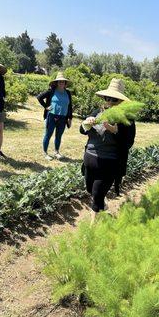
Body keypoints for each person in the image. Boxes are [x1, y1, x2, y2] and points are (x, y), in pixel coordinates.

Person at [80, 78, 136, 219]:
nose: (109, 102)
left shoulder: (127, 118)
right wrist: (86, 124)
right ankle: (102, 205)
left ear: (121, 102)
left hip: (109, 163)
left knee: (97, 194)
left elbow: (128, 142)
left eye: (114, 100)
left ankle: (92, 229)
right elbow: (82, 130)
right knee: (90, 189)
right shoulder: (97, 111)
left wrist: (115, 131)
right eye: (107, 98)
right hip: (90, 158)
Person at [37, 71, 73, 160]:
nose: (61, 83)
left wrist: (70, 118)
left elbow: (70, 106)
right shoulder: (52, 91)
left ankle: (56, 152)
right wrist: (46, 107)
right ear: (56, 83)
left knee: (59, 135)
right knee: (48, 134)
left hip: (63, 118)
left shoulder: (67, 93)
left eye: (63, 82)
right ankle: (45, 153)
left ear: (65, 83)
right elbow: (39, 97)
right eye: (60, 81)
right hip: (52, 116)